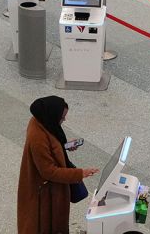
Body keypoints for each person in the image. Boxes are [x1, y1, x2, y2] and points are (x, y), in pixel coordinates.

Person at [16, 95, 99, 234]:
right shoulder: (37, 137)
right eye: (62, 117)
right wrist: (80, 173)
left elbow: (51, 146)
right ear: (52, 115)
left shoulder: (43, 121)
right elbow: (49, 171)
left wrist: (63, 146)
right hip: (44, 197)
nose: (64, 120)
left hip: (49, 192)